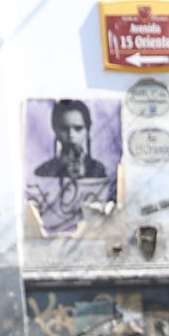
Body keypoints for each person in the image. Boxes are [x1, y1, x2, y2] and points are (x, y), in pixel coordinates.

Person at [28, 98, 114, 234]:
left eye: (78, 128)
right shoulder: (44, 170)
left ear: (87, 129)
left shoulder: (98, 169)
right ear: (55, 129)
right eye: (64, 128)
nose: (71, 135)